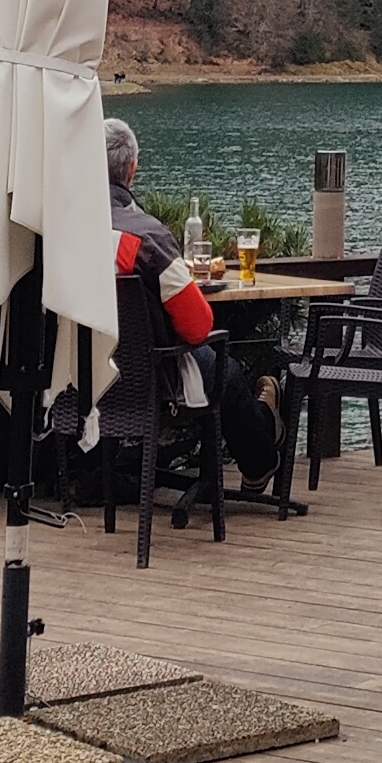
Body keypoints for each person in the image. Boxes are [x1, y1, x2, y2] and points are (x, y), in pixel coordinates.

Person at [104, 117, 283, 491]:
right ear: (132, 169)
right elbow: (198, 326)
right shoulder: (146, 237)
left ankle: (93, 477)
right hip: (154, 379)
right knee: (226, 371)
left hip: (82, 375)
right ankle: (262, 454)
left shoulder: (61, 231)